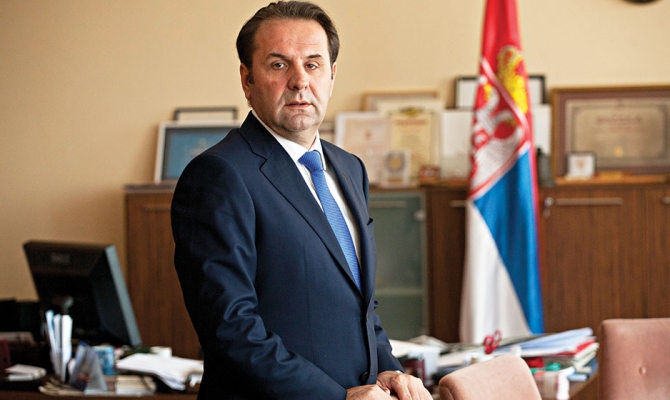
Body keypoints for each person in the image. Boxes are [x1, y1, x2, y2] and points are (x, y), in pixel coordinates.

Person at [171, 2, 432, 399]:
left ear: (332, 75)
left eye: (313, 64)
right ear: (247, 79)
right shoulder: (218, 175)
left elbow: (360, 306)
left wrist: (388, 369)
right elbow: (230, 329)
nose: (299, 81)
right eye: (279, 65)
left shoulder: (349, 169)